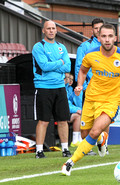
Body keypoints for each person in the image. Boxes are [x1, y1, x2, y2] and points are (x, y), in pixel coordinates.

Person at [61, 24, 120, 176]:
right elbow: (83, 71)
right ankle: (101, 140)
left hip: (111, 101)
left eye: (110, 36)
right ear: (99, 38)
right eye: (104, 36)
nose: (107, 39)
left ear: (115, 38)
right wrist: (79, 85)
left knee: (95, 130)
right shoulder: (91, 54)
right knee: (86, 135)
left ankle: (70, 162)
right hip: (91, 99)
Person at [32, 20, 72, 158]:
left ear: (56, 30)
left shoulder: (62, 47)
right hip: (43, 87)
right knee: (43, 120)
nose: (51, 30)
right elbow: (44, 66)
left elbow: (68, 67)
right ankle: (39, 151)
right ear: (43, 30)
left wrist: (56, 64)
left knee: (63, 120)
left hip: (60, 87)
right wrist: (60, 62)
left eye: (53, 28)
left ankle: (65, 149)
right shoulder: (38, 47)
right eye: (48, 28)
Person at [75, 18, 105, 156]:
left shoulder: (109, 47)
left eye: (101, 28)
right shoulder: (85, 47)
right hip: (90, 89)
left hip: (105, 89)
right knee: (87, 122)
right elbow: (79, 69)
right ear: (92, 30)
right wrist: (83, 86)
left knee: (105, 117)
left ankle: (104, 144)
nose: (98, 31)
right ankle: (88, 147)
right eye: (96, 28)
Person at [64, 73, 82, 147]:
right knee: (77, 115)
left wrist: (77, 94)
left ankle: (79, 138)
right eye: (68, 78)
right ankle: (75, 140)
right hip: (63, 113)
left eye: (72, 79)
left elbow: (77, 103)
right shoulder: (63, 88)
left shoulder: (70, 89)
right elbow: (65, 104)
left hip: (69, 111)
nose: (70, 81)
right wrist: (76, 109)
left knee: (81, 113)